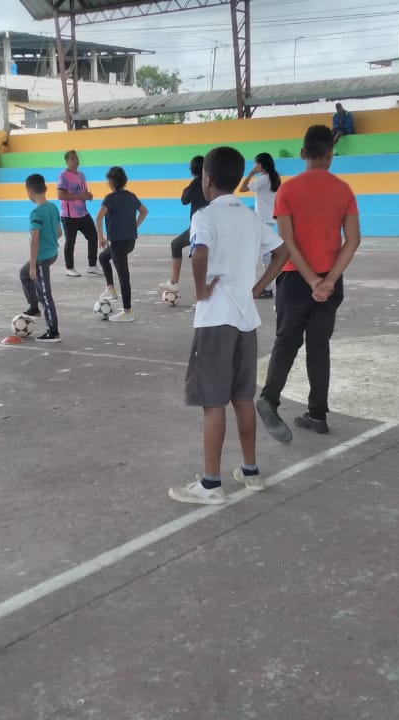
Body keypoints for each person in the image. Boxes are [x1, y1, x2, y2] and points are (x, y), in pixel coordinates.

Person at [168, 146, 302, 505]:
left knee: (213, 402)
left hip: (216, 319)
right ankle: (250, 470)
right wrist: (257, 287)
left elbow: (199, 253)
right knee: (243, 398)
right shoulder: (249, 217)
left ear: (207, 179)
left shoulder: (205, 216)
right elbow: (283, 252)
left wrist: (200, 290)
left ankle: (211, 484)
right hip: (245, 320)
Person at [255, 125, 361, 442]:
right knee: (319, 346)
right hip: (330, 278)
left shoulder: (288, 191)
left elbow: (286, 241)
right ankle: (317, 414)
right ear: (330, 155)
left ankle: (270, 398)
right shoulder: (343, 190)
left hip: (293, 278)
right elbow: (353, 240)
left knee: (286, 340)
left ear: (303, 153)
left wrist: (311, 279)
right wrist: (327, 281)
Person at [94, 166, 148, 322]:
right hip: (130, 242)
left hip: (118, 243)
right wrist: (134, 226)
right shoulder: (131, 196)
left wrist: (100, 237)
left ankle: (127, 312)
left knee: (124, 276)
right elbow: (144, 211)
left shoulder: (110, 198)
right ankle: (110, 289)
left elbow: (98, 217)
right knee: (103, 257)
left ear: (111, 182)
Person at [19, 173, 62, 342]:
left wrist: (33, 266)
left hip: (41, 258)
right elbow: (59, 233)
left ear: (30, 192)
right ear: (45, 188)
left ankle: (53, 331)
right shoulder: (53, 207)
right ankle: (34, 307)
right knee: (24, 274)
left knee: (45, 294)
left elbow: (34, 241)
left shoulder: (36, 213)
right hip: (53, 253)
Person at [159, 156, 207, 294]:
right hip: (208, 225)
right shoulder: (211, 182)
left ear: (193, 169)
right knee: (179, 245)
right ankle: (176, 283)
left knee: (189, 252)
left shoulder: (197, 183)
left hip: (199, 227)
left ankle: (196, 291)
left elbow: (184, 199)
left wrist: (192, 184)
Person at [239, 152, 282, 299]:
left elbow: (242, 188)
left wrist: (251, 173)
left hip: (263, 219)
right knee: (265, 253)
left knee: (265, 254)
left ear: (262, 165)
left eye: (256, 163)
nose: (255, 166)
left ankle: (267, 287)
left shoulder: (263, 179)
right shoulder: (273, 177)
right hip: (269, 218)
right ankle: (266, 287)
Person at [56, 150, 98, 277]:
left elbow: (82, 192)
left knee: (93, 236)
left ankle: (92, 266)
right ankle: (69, 268)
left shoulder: (81, 175)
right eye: (73, 159)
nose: (76, 161)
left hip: (83, 213)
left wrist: (87, 196)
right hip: (69, 216)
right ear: (67, 161)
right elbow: (60, 195)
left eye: (76, 158)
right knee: (70, 242)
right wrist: (79, 196)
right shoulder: (63, 175)